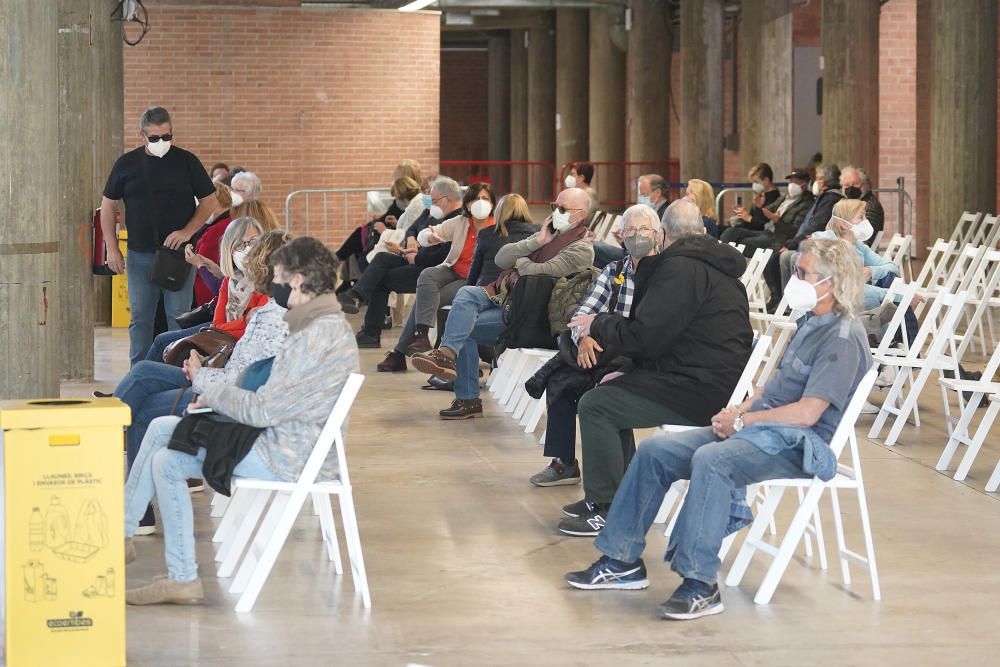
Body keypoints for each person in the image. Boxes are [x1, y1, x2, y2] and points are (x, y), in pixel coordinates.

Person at [565, 237, 872, 621]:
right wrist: (740, 409)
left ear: (831, 282)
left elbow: (808, 413)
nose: (794, 280)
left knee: (712, 460)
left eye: (802, 273)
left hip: (797, 443)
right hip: (763, 429)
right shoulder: (811, 322)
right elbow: (775, 389)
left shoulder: (842, 338)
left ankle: (700, 584)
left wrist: (744, 421)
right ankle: (621, 559)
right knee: (656, 451)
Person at [123, 236, 360, 606]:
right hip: (283, 440)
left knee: (167, 459)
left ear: (297, 281)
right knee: (164, 438)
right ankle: (154, 557)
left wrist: (210, 390)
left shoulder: (313, 335)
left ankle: (179, 574)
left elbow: (262, 409)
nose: (273, 287)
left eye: (279, 277)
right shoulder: (322, 324)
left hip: (285, 453)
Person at [557, 198, 753, 536]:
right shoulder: (719, 268)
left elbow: (646, 336)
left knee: (597, 406)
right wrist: (633, 371)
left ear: (662, 234)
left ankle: (608, 507)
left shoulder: (679, 270)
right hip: (713, 380)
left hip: (699, 390)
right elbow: (666, 337)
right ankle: (611, 497)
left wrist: (599, 323)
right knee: (608, 389)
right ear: (703, 231)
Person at [113, 230, 291, 535]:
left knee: (143, 408)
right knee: (144, 372)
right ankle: (109, 431)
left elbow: (242, 379)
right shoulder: (285, 312)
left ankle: (134, 506)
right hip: (226, 382)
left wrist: (200, 374)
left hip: (227, 397)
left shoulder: (272, 317)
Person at [411, 187, 596, 419]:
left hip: (534, 315)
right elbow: (502, 258)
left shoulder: (581, 248)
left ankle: (466, 397)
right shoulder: (548, 235)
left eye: (561, 208)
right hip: (511, 296)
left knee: (463, 328)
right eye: (553, 206)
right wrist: (536, 242)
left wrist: (521, 264)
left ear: (579, 215)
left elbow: (545, 272)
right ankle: (447, 354)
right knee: (467, 293)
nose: (554, 212)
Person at [528, 204, 662, 487]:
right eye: (631, 230)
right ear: (621, 236)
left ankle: (625, 474)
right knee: (562, 381)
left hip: (640, 357)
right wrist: (585, 338)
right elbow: (581, 315)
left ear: (658, 235)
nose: (637, 236)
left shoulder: (667, 275)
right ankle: (564, 463)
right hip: (603, 350)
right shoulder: (613, 271)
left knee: (603, 395)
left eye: (643, 230)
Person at [99, 106, 218, 366]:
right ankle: (138, 371)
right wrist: (111, 247)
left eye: (166, 136)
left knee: (178, 316)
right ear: (142, 136)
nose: (161, 142)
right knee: (140, 318)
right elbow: (108, 205)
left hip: (178, 255)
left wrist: (187, 231)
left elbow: (209, 200)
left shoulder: (187, 161)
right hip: (139, 253)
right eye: (154, 138)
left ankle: (177, 372)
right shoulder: (126, 164)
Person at [340, 176, 463, 347]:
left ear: (447, 199)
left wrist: (416, 257)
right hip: (418, 257)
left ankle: (369, 331)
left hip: (433, 270)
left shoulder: (457, 221)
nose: (430, 203)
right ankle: (356, 296)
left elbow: (444, 255)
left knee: (380, 280)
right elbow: (413, 227)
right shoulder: (433, 212)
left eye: (433, 200)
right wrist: (411, 240)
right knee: (382, 258)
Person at [145, 217, 267, 364]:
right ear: (229, 249)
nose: (248, 249)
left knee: (174, 348)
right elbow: (219, 324)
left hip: (233, 342)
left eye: (253, 241)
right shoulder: (230, 280)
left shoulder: (265, 281)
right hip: (219, 333)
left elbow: (254, 325)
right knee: (162, 341)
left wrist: (201, 267)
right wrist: (243, 321)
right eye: (240, 244)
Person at [763, 163, 843, 306]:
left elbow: (815, 226)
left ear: (823, 182)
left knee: (785, 256)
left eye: (818, 178)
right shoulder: (824, 197)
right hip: (799, 240)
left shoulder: (830, 199)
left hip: (814, 244)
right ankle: (783, 300)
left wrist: (793, 243)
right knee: (776, 255)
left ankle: (791, 302)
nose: (816, 182)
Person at [335, 161, 420, 271]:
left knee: (360, 246)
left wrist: (385, 230)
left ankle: (338, 261)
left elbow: (407, 229)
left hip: (390, 236)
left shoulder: (411, 203)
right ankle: (344, 272)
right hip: (389, 231)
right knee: (358, 241)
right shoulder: (412, 201)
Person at [187, 181, 239, 305]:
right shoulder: (230, 223)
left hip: (206, 292)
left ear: (214, 201)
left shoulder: (216, 230)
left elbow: (202, 260)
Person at [720, 162, 782, 253]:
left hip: (765, 232)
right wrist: (744, 214)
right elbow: (754, 216)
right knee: (726, 231)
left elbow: (763, 224)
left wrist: (749, 217)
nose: (754, 185)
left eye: (756, 182)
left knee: (737, 240)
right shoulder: (761, 194)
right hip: (754, 229)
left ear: (766, 180)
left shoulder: (774, 197)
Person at [840, 165, 885, 247]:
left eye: (855, 184)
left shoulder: (870, 207)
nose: (851, 188)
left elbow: (864, 240)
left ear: (865, 184)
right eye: (847, 185)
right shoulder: (853, 205)